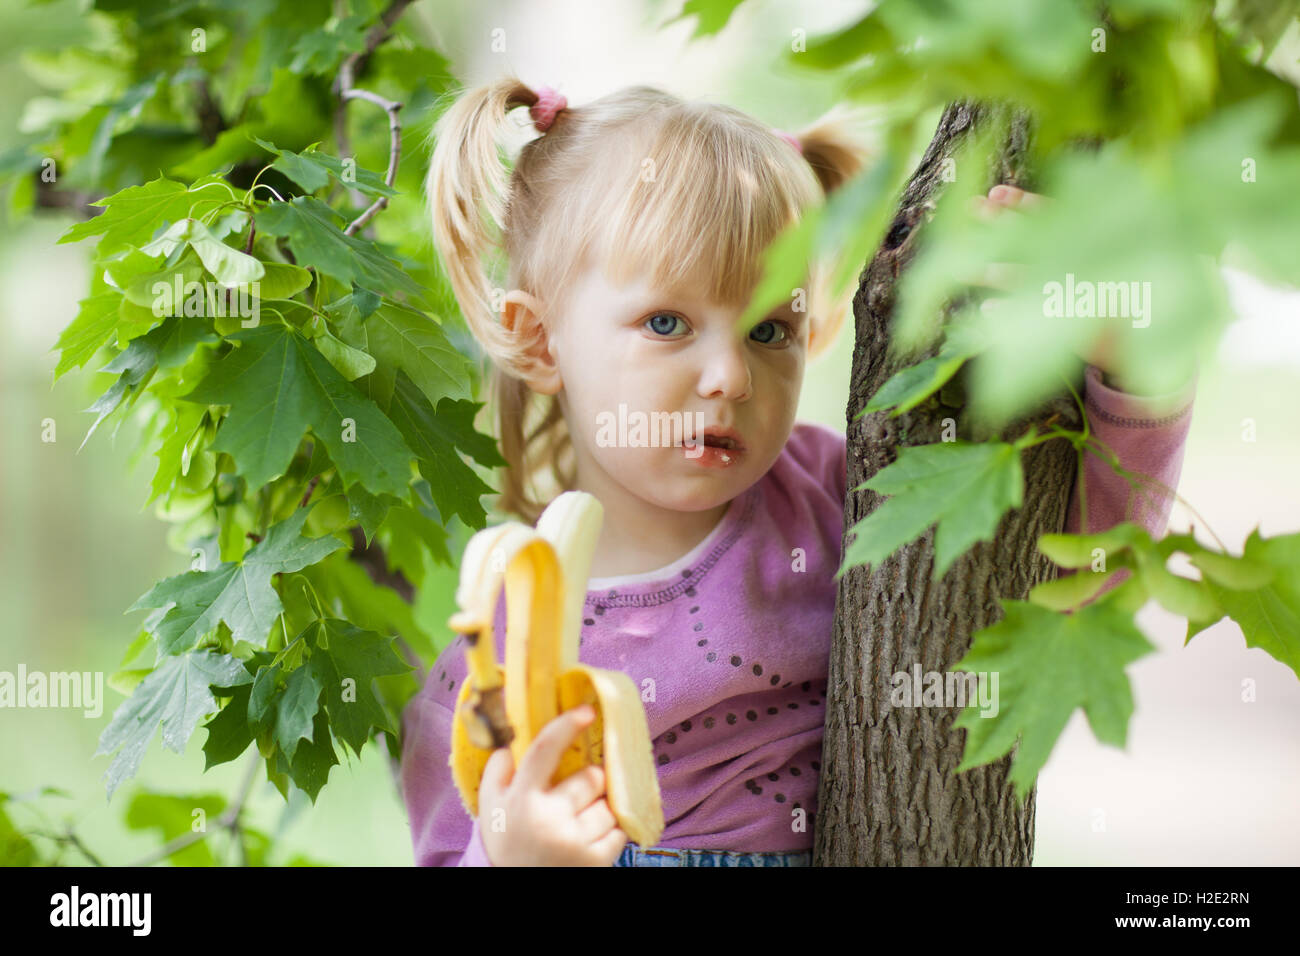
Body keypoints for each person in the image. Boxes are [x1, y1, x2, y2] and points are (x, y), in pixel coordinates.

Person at [399, 78, 1198, 866]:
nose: (730, 378)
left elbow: (1069, 566)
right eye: (667, 323)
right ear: (540, 341)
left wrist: (1141, 375)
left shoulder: (832, 500)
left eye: (770, 329)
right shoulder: (505, 643)